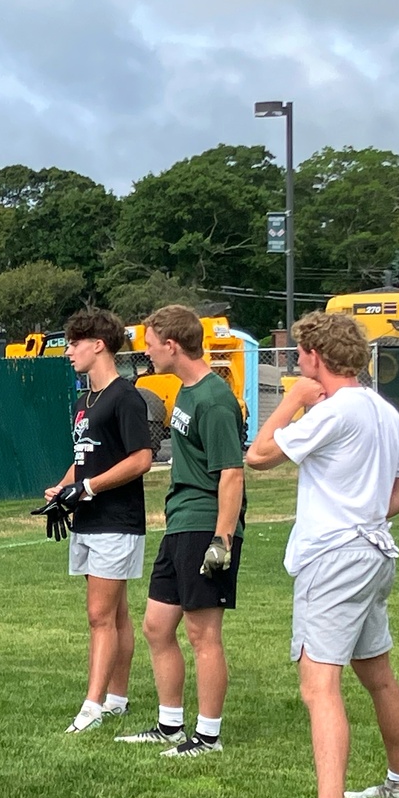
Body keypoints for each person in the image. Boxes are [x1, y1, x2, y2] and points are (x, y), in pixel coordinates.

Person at [245, 312, 399, 798]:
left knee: (319, 686)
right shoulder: (383, 410)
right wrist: (365, 516)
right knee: (378, 675)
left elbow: (257, 456)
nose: (297, 364)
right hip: (372, 553)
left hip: (334, 560)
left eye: (300, 356)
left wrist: (294, 399)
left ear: (317, 358)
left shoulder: (335, 410)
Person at [115, 304, 245, 758]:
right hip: (180, 523)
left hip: (204, 525)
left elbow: (231, 473)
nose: (146, 351)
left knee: (202, 634)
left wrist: (222, 539)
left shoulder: (213, 398)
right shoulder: (187, 392)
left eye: (150, 344)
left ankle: (207, 736)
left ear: (172, 345)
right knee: (156, 626)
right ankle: (170, 725)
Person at [42, 308, 153, 734]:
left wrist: (89, 489)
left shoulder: (124, 396)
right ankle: (117, 699)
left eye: (74, 343)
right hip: (90, 519)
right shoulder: (83, 401)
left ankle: (91, 706)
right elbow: (84, 459)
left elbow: (141, 459)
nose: (68, 351)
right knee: (116, 614)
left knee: (99, 617)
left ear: (98, 344)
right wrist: (63, 488)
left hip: (117, 520)